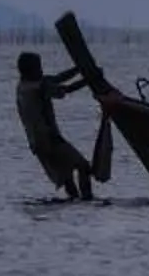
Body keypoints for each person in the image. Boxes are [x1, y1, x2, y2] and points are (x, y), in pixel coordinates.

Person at [15, 50, 98, 199]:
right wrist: (90, 78)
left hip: (37, 142)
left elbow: (57, 79)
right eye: (38, 68)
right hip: (49, 138)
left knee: (66, 175)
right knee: (83, 166)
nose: (41, 70)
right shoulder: (38, 87)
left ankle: (74, 201)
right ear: (31, 70)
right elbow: (64, 90)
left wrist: (79, 68)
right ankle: (86, 200)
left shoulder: (22, 86)